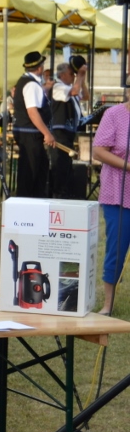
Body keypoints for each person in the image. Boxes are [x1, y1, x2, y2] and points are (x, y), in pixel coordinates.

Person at [92, 97, 130, 314]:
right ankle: (108, 304)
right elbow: (98, 151)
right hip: (118, 193)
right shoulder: (114, 114)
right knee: (116, 247)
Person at [12, 50, 54, 197]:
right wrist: (47, 133)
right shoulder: (31, 85)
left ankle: (35, 198)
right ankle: (27, 200)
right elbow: (32, 112)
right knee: (30, 172)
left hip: (27, 133)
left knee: (38, 168)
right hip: (30, 134)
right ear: (40, 67)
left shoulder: (26, 81)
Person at [49, 59, 87, 199]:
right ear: (62, 75)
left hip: (68, 130)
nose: (73, 76)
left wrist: (82, 79)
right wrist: (80, 76)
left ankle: (64, 191)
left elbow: (86, 96)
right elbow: (75, 91)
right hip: (59, 130)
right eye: (72, 74)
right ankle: (58, 192)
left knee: (66, 164)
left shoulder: (70, 88)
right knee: (60, 163)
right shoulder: (58, 87)